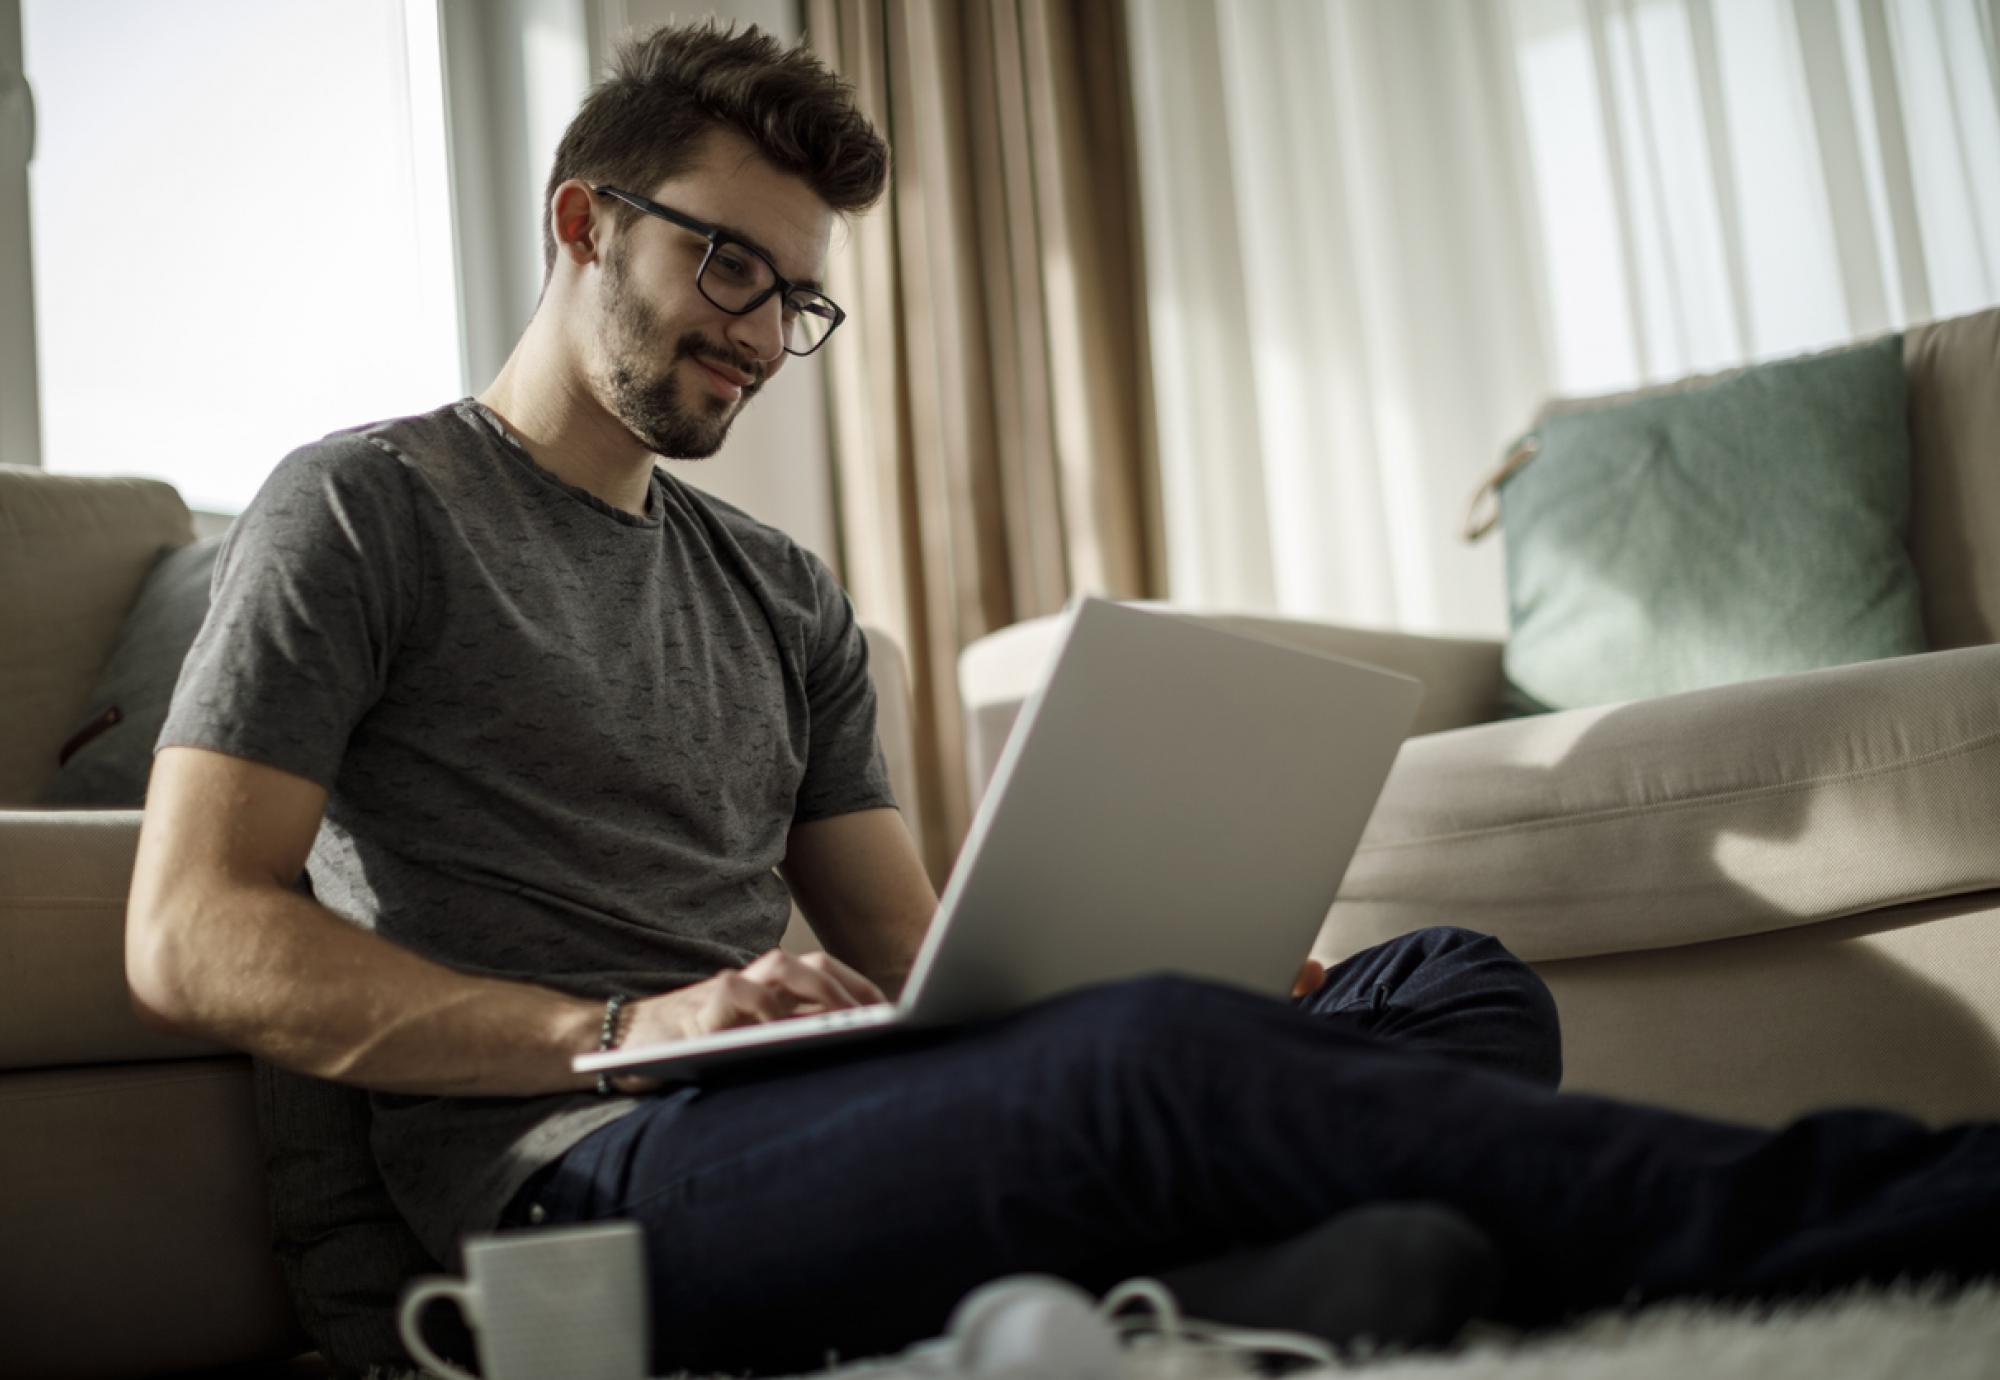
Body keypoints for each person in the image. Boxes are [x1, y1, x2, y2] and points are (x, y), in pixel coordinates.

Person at [126, 21, 1997, 1379]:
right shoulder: (368, 507)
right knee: (1147, 1076)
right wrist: (622, 1025)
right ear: (578, 221)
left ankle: (1295, 1275)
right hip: (588, 1180)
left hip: (813, 1114)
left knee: (1448, 980)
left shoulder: (778, 590)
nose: (765, 333)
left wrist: (1156, 952)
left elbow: (924, 953)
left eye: (799, 299)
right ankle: (1906, 1214)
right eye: (725, 261)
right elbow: (190, 935)